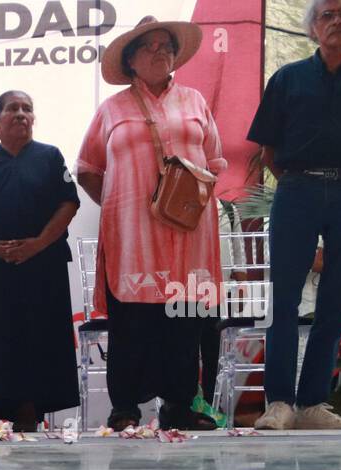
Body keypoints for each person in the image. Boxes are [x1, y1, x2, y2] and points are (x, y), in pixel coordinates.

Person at [248, 0, 341, 430]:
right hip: (298, 189)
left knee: (335, 301)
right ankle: (279, 403)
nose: (336, 20)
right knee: (283, 298)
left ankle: (313, 404)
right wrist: (302, 182)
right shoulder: (287, 78)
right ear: (312, 28)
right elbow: (268, 151)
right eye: (326, 14)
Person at [77, 17, 226, 431]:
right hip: (132, 239)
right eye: (150, 46)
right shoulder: (112, 109)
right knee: (131, 324)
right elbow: (88, 168)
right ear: (131, 60)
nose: (160, 52)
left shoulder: (195, 102)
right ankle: (124, 408)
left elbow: (214, 165)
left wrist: (183, 204)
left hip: (188, 235)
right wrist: (118, 206)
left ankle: (178, 406)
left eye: (167, 46)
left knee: (183, 321)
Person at [0, 90, 80, 432]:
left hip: (41, 265)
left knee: (36, 334)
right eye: (13, 109)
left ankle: (29, 410)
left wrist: (36, 244)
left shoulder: (51, 158)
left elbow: (69, 204)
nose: (21, 114)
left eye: (27, 109)